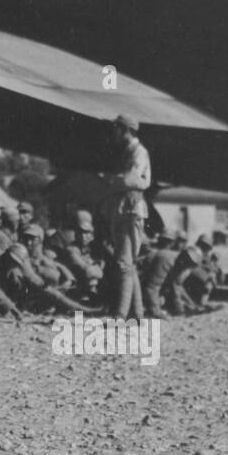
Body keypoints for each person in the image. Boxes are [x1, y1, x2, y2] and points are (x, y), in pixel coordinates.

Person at [100, 114, 150, 322]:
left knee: (124, 263)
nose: (115, 134)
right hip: (124, 207)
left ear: (125, 130)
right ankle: (137, 313)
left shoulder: (138, 152)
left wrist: (111, 180)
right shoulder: (129, 151)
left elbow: (133, 178)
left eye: (117, 130)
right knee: (128, 263)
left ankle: (121, 315)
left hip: (131, 208)